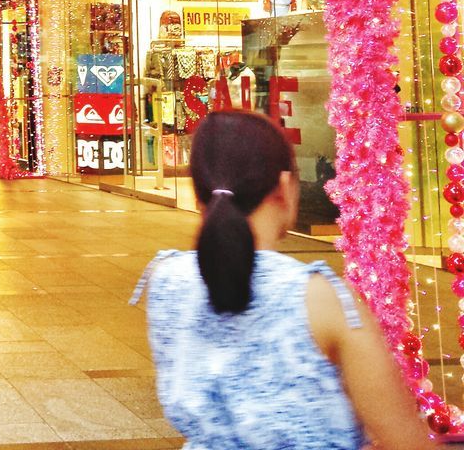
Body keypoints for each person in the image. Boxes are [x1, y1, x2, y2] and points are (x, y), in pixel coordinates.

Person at [132, 110, 430, 450]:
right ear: (285, 188)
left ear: (198, 191)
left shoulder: (164, 279)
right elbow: (405, 440)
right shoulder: (320, 299)